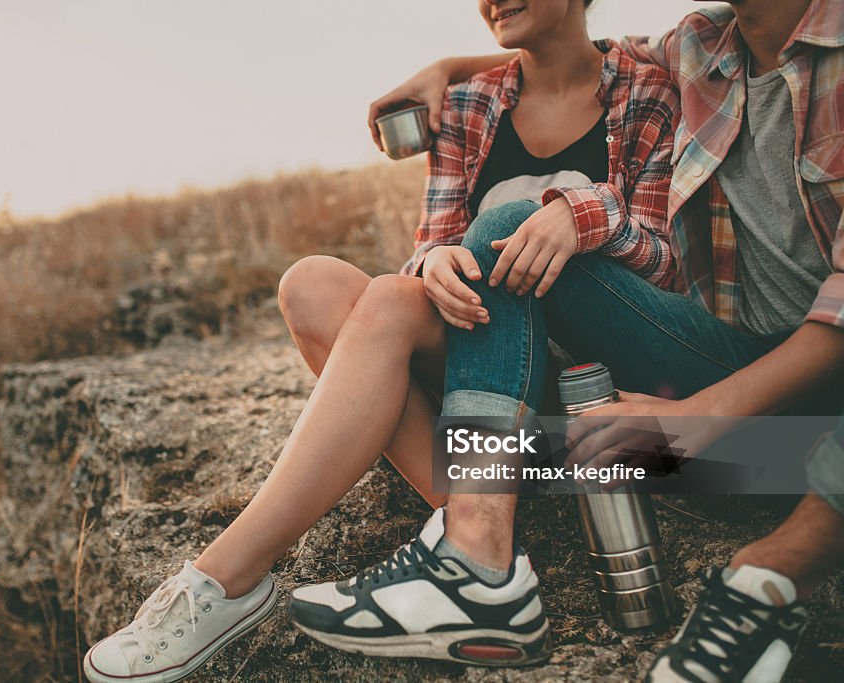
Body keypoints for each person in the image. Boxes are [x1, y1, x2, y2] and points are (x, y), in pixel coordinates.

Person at [82, 1, 681, 681]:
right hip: (478, 377)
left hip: (581, 395)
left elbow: (663, 262)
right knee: (314, 284)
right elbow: (427, 252)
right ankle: (472, 525)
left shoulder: (646, 85)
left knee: (477, 242)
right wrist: (434, 264)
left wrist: (579, 216)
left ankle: (227, 577)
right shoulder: (469, 104)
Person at [323, 1, 844, 681]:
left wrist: (693, 423)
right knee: (511, 227)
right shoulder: (701, 45)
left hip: (802, 403)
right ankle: (477, 544)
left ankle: (489, 544)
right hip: (737, 370)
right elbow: (568, 54)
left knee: (607, 436)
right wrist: (447, 69)